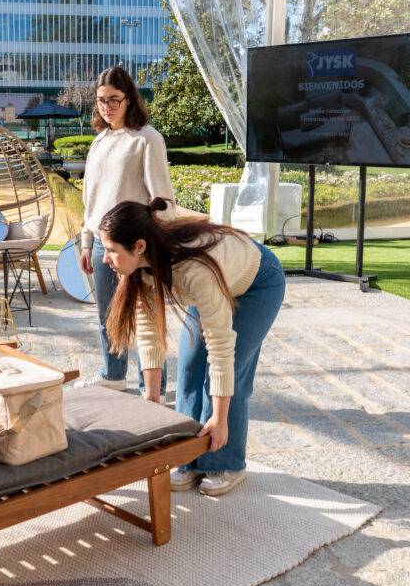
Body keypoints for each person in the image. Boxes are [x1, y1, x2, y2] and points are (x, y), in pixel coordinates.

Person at [98, 198, 286, 496]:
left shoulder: (195, 270)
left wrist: (220, 419)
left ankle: (225, 462)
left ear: (139, 246)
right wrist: (152, 394)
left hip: (257, 283)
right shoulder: (140, 266)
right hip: (216, 282)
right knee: (188, 366)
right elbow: (149, 330)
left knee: (225, 372)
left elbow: (221, 348)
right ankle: (186, 458)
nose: (105, 259)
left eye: (110, 250)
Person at [75, 65, 175, 393]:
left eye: (114, 100)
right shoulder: (100, 141)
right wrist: (87, 242)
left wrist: (156, 245)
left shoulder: (147, 139)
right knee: (108, 317)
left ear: (130, 99)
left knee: (147, 318)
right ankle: (113, 377)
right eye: (101, 100)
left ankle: (152, 387)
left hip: (137, 246)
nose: (107, 107)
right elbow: (91, 199)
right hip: (104, 245)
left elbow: (163, 200)